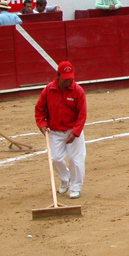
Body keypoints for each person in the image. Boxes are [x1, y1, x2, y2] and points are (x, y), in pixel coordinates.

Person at [36, 60, 87, 200]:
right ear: (58, 75)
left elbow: (82, 115)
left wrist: (75, 132)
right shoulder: (48, 90)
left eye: (70, 78)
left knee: (75, 159)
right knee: (55, 158)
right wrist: (42, 124)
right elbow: (40, 109)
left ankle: (75, 187)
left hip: (72, 130)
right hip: (55, 131)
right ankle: (65, 178)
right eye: (65, 79)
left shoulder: (78, 91)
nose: (68, 81)